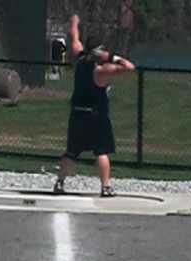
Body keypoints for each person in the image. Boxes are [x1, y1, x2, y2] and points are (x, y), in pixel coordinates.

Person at [53, 15, 135, 197]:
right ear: (100, 52)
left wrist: (74, 22)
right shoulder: (100, 71)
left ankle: (59, 183)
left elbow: (74, 39)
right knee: (102, 151)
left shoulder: (80, 61)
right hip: (96, 115)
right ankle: (106, 187)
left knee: (71, 152)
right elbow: (130, 67)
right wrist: (112, 56)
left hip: (77, 114)